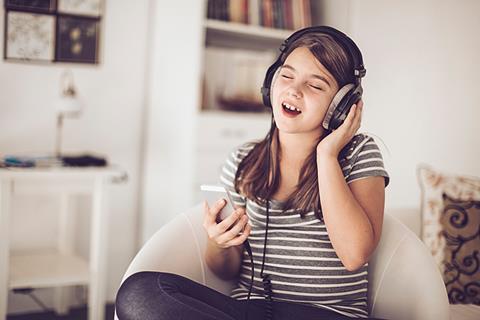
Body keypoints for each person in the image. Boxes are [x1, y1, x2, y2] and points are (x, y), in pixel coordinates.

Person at [115, 26, 390, 320]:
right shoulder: (244, 160)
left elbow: (354, 255)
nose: (294, 90)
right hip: (250, 310)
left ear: (341, 107)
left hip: (328, 314)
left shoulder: (358, 153)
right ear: (271, 82)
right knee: (139, 292)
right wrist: (219, 243)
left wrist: (327, 155)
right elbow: (225, 269)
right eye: (286, 75)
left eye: (316, 85)